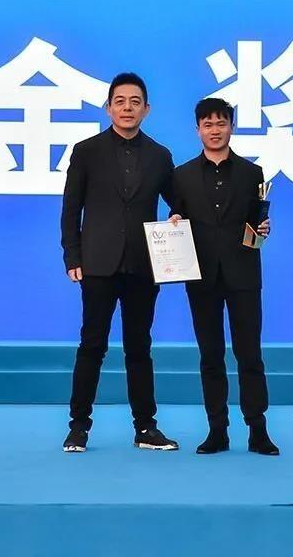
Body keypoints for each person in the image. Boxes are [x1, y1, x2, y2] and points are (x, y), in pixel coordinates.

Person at [59, 72, 179, 453]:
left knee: (139, 348)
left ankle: (146, 428)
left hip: (143, 266)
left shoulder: (160, 156)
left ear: (147, 109)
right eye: (120, 101)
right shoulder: (86, 151)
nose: (128, 108)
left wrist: (177, 218)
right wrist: (72, 255)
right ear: (108, 107)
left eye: (135, 102)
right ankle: (78, 427)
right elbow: (71, 208)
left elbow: (180, 202)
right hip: (97, 264)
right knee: (91, 346)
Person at [169, 97, 279, 455]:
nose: (215, 130)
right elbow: (177, 218)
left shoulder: (252, 173)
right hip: (200, 276)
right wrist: (173, 222)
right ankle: (217, 430)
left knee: (250, 354)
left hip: (243, 274)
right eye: (208, 124)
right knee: (210, 356)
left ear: (231, 126)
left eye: (221, 123)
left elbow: (256, 224)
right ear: (197, 129)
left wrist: (263, 229)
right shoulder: (181, 175)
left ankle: (258, 429)